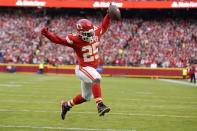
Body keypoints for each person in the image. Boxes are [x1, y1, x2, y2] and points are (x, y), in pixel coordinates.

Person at [41, 9, 111, 120]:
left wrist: (108, 15)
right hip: (83, 68)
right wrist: (47, 34)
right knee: (97, 77)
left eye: (91, 32)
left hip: (90, 70)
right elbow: (59, 40)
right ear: (80, 33)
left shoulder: (95, 32)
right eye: (87, 34)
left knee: (86, 97)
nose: (91, 35)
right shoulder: (75, 40)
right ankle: (100, 105)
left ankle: (66, 105)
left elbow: (104, 26)